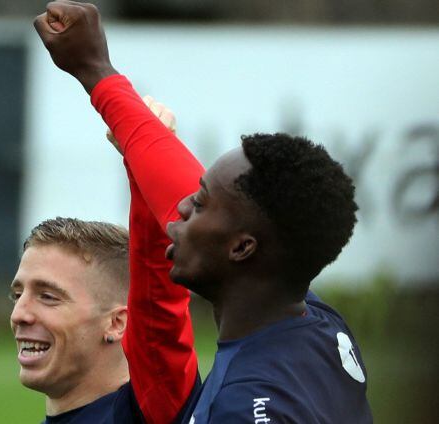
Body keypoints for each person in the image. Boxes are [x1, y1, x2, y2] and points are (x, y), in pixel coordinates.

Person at [33, 1, 373, 423]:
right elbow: (181, 190)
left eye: (202, 202)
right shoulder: (313, 325)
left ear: (242, 248)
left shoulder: (249, 405)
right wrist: (97, 74)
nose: (180, 208)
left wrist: (98, 72)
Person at [10, 99, 199, 424]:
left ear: (118, 323)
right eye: (18, 294)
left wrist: (147, 152)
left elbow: (157, 274)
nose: (19, 314)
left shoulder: (147, 413)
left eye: (48, 297)